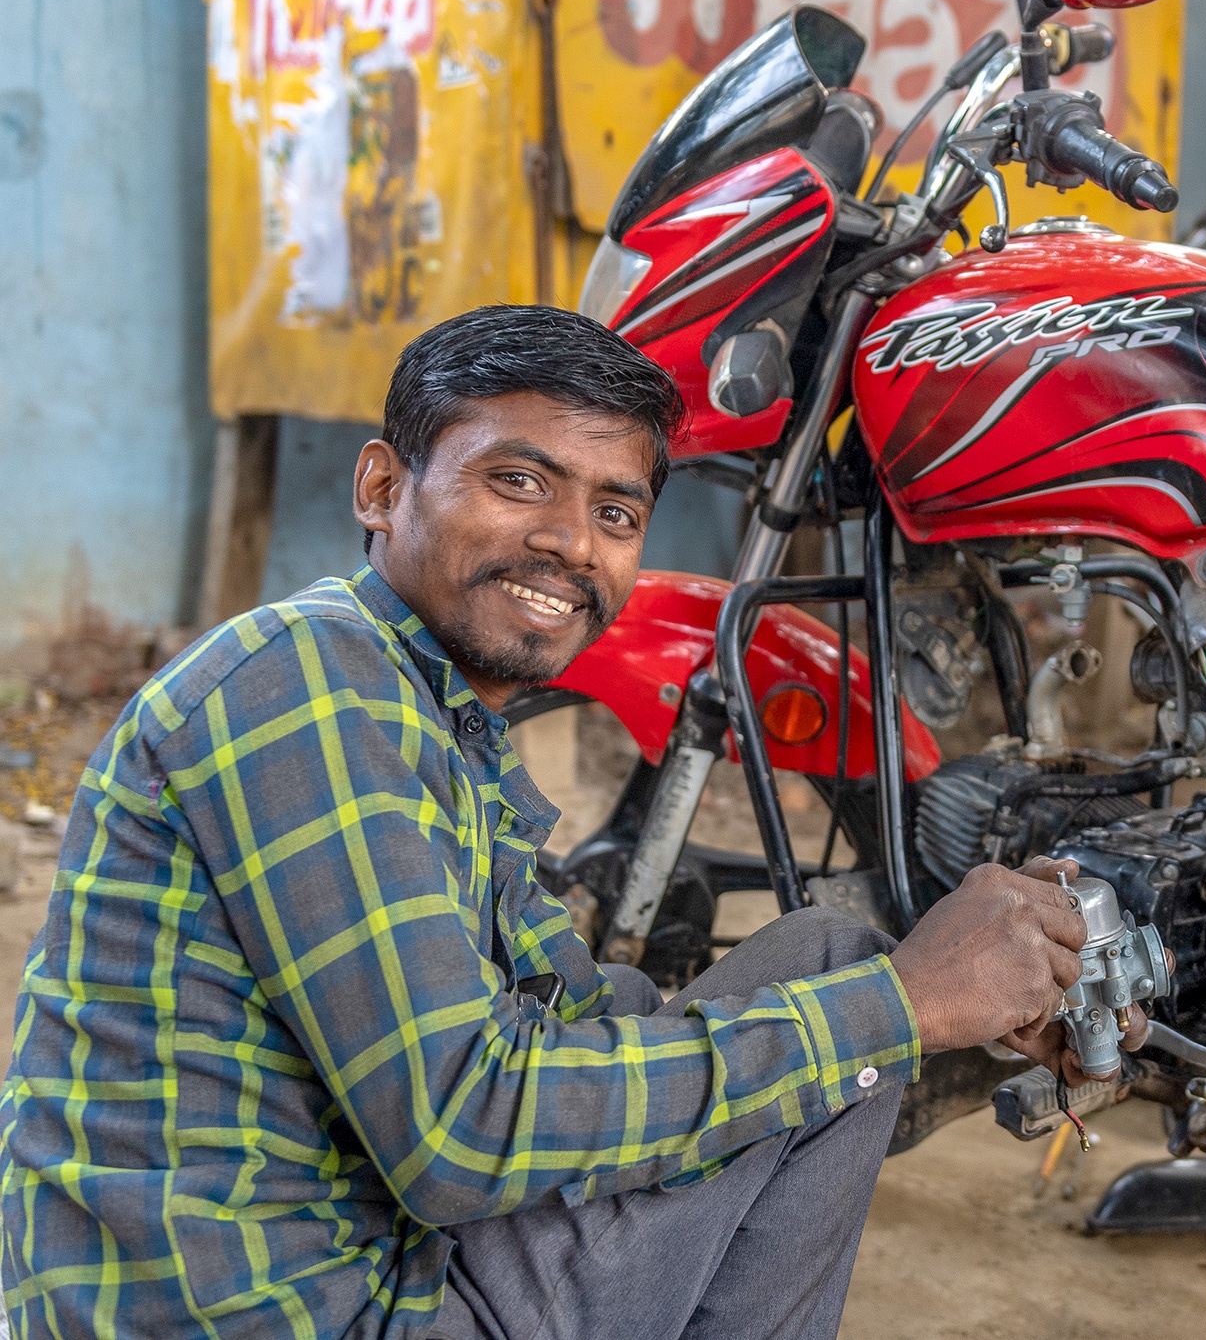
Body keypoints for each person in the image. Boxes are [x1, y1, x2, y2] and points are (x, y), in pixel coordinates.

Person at [0, 305, 1142, 1339]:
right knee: (852, 1006)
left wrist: (970, 998)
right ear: (382, 488)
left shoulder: (434, 720)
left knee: (831, 962)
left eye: (613, 511)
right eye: (518, 482)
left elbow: (588, 1017)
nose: (569, 544)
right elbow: (465, 1129)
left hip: (369, 1268)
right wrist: (901, 1006)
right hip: (282, 1313)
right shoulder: (299, 680)